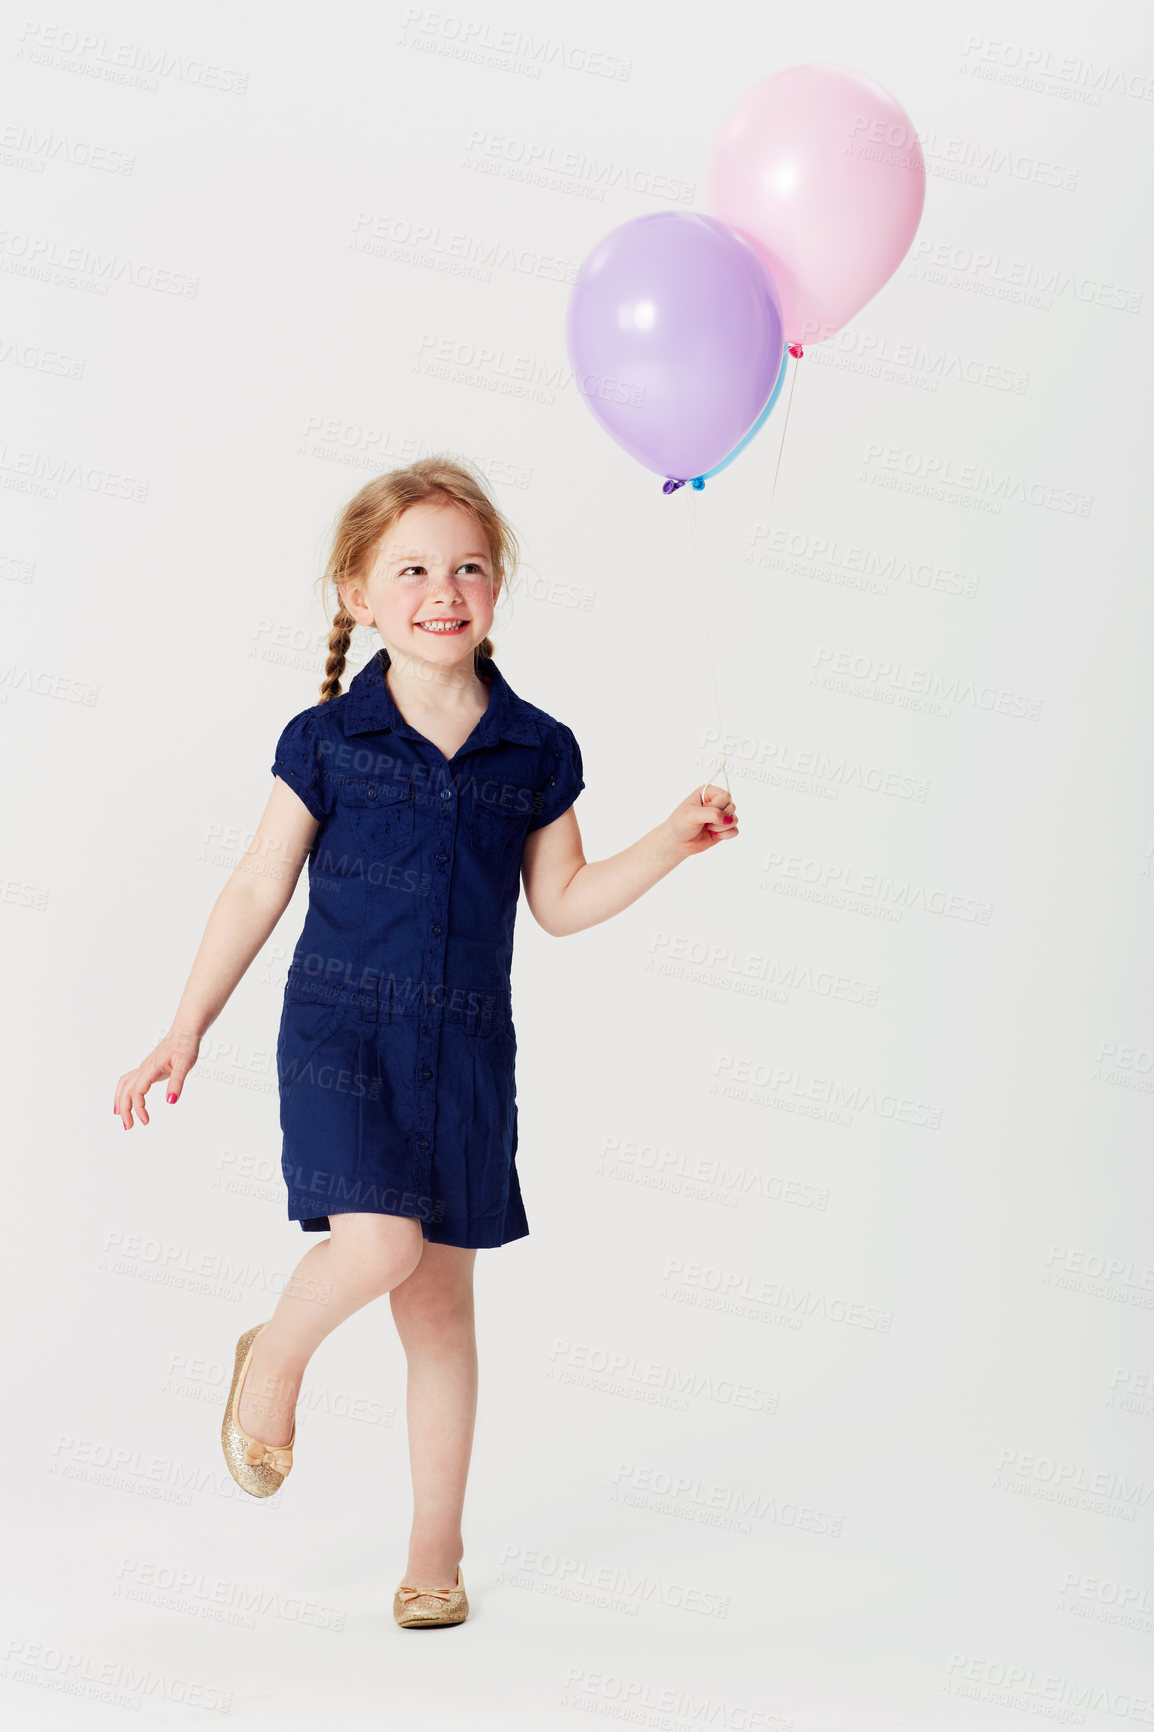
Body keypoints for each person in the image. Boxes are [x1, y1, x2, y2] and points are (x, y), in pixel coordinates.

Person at [112, 455, 739, 1628]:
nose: (441, 589)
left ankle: (433, 1555)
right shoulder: (325, 740)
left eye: (467, 567)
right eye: (410, 568)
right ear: (356, 592)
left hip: (463, 1057)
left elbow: (560, 900)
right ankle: (274, 1360)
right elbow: (257, 885)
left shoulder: (534, 747)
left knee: (440, 1312)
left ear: (495, 588)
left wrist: (667, 840)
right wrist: (182, 1028)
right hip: (340, 1036)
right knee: (378, 1246)